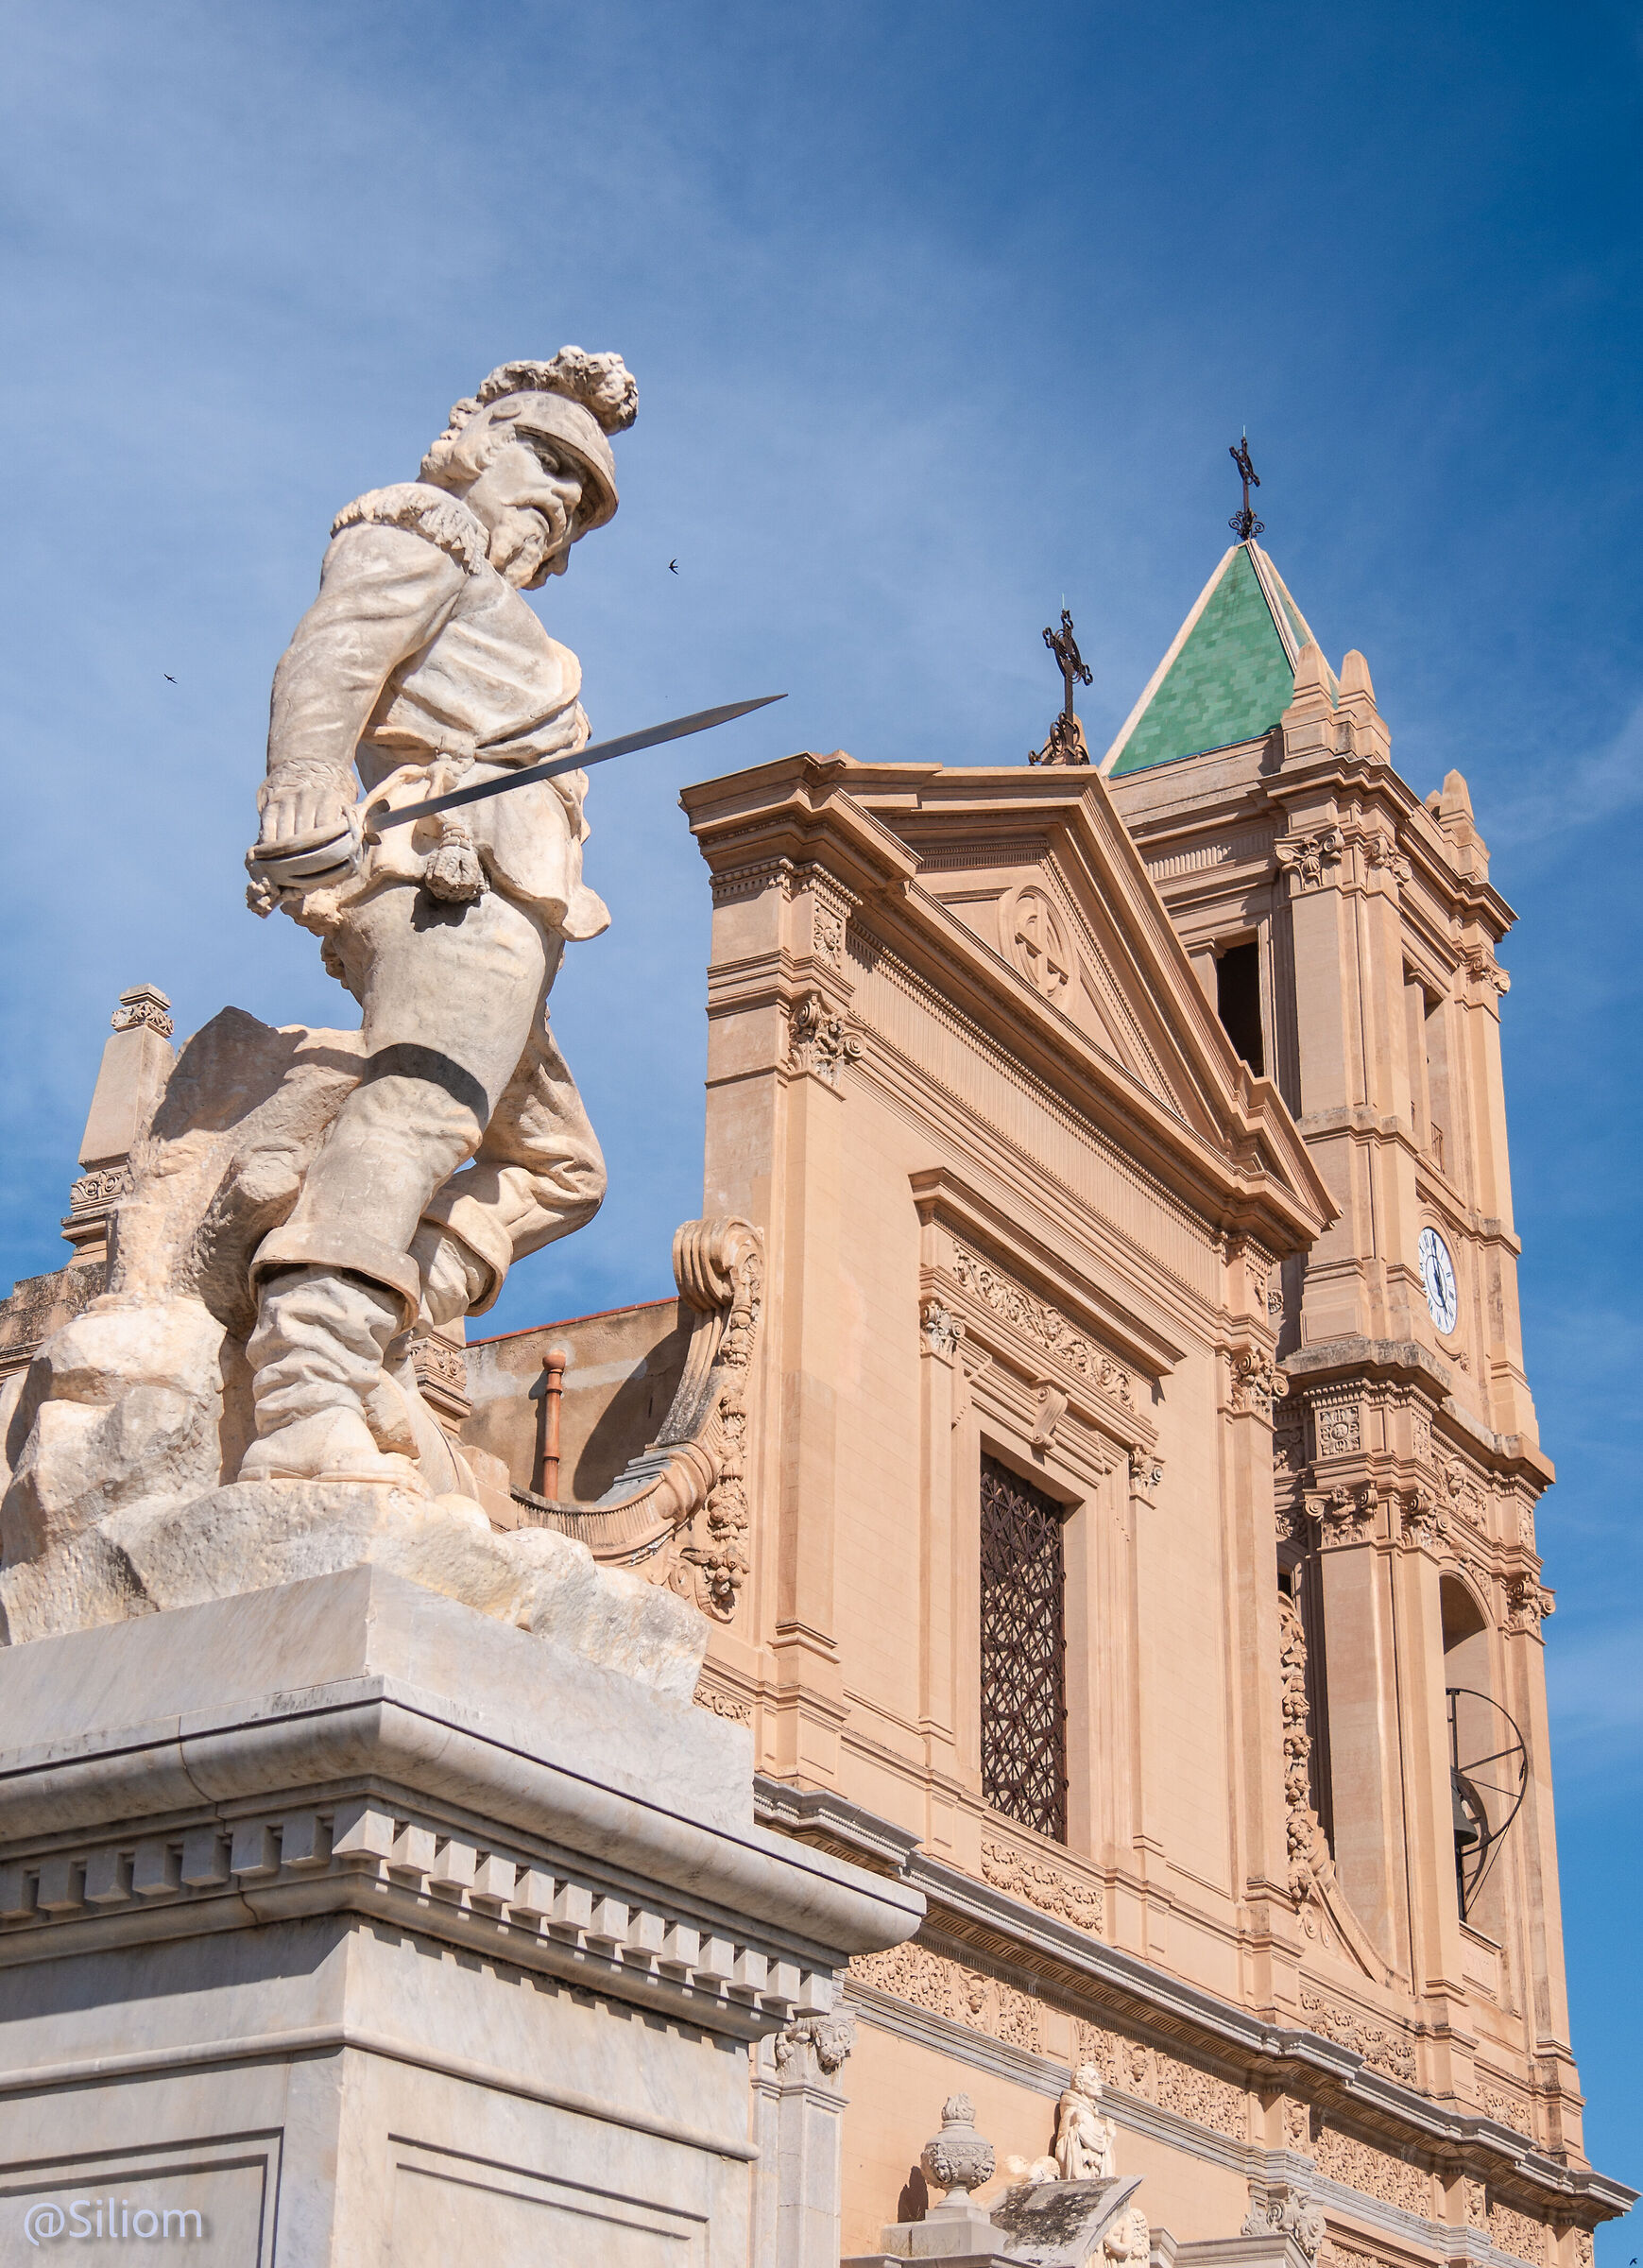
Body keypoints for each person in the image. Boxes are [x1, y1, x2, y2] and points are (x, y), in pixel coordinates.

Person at [240, 350, 635, 1487]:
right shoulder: (425, 530)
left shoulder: (509, 611)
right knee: (417, 1111)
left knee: (560, 1169)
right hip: (447, 874)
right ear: (476, 442)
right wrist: (302, 784)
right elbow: (333, 655)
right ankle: (306, 1385)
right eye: (548, 462)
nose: (562, 501)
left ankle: (375, 1337)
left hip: (516, 904)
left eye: (584, 498)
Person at [1053, 2063, 1117, 2181]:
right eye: (1093, 2079)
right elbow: (1062, 2151)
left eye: (1098, 2079)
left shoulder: (1095, 2120)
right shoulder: (1072, 2111)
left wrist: (1109, 2138)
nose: (1100, 2083)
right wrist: (1075, 2128)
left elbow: (1102, 2158)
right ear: (1080, 2084)